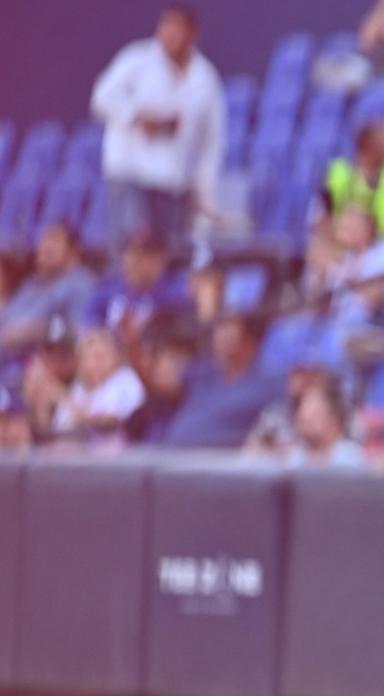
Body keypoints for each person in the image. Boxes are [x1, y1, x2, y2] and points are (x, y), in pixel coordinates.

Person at [90, 5, 225, 259]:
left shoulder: (205, 76)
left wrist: (204, 188)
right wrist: (137, 116)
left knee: (170, 256)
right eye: (166, 26)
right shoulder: (136, 60)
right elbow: (101, 97)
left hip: (173, 183)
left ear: (192, 33)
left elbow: (212, 140)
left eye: (177, 27)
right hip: (131, 176)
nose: (169, 34)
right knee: (128, 252)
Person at [161, 311, 283, 447]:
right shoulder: (203, 370)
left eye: (226, 329)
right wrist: (134, 347)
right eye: (217, 329)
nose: (218, 336)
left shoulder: (269, 381)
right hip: (171, 457)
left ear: (249, 339)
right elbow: (162, 388)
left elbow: (278, 427)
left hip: (221, 462)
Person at [0, 223, 96, 359]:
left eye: (53, 239)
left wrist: (36, 331)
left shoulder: (80, 283)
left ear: (73, 251)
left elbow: (83, 333)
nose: (45, 245)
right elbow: (6, 319)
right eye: (44, 240)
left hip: (41, 366)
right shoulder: (32, 283)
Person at [319, 122, 384, 238]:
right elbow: (325, 213)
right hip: (340, 239)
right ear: (367, 143)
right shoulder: (339, 171)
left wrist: (365, 223)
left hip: (382, 245)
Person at [51, 329, 146, 447]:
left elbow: (111, 421)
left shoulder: (125, 379)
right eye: (87, 357)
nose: (93, 364)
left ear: (117, 357)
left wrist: (73, 408)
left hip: (124, 459)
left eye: (100, 356)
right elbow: (62, 430)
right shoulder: (79, 388)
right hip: (87, 460)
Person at [283, 378, 365, 467]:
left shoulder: (350, 458)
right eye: (301, 409)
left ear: (334, 418)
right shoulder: (294, 459)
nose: (304, 416)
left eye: (315, 413)